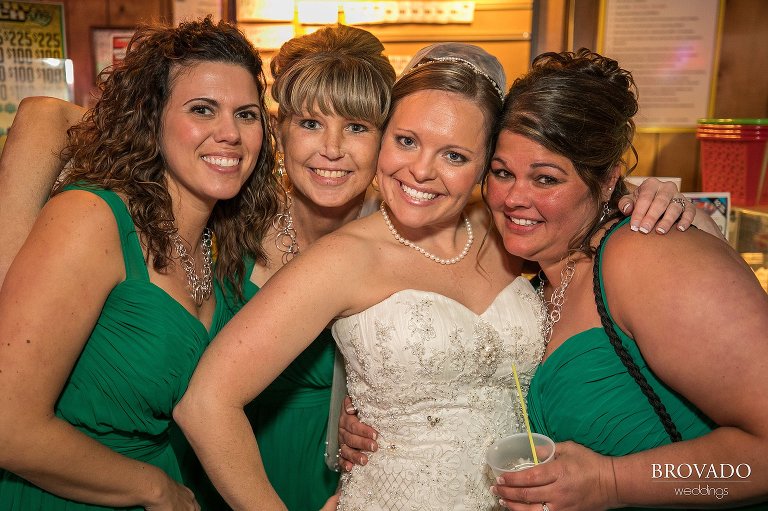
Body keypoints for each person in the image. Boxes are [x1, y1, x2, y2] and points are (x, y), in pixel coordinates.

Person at [173, 42, 706, 510]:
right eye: (406, 141)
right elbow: (205, 404)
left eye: (454, 154)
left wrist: (646, 198)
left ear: (486, 166)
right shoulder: (344, 259)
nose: (421, 170)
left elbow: (587, 210)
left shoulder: (512, 236)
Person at [0, 17, 280, 511]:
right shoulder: (92, 218)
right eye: (202, 109)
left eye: (247, 114)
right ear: (151, 118)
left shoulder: (222, 244)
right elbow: (7, 425)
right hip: (67, 493)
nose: (229, 134)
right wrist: (154, 488)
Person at [484, 50, 768, 510]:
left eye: (546, 179)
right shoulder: (537, 271)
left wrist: (612, 481)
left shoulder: (647, 255)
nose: (515, 197)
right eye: (502, 173)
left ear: (607, 180)